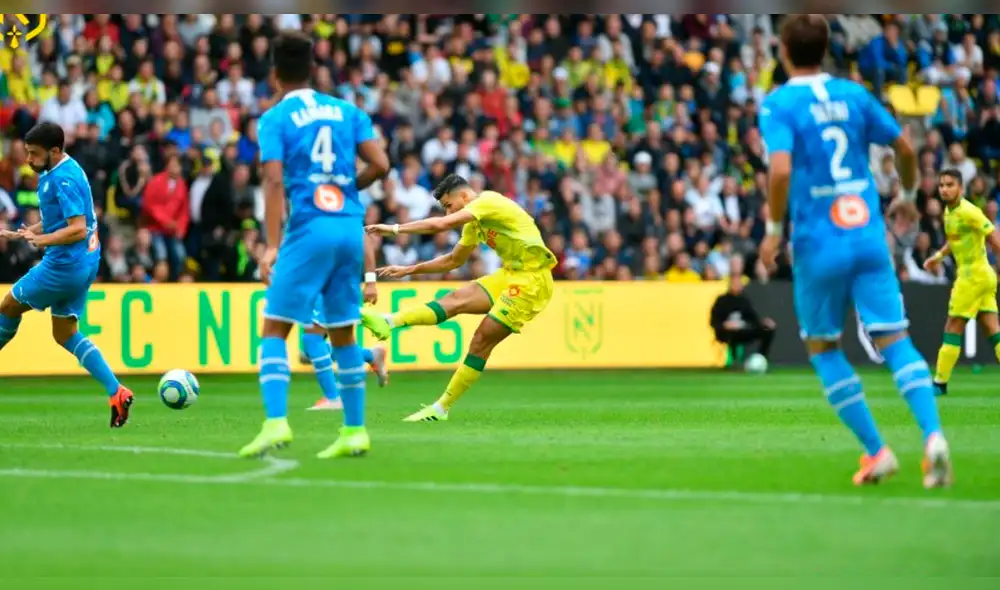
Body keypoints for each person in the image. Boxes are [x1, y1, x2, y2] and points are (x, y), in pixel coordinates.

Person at [758, 15, 951, 489]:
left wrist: (773, 230)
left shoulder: (778, 103)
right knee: (896, 340)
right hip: (866, 234)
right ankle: (933, 437)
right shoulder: (854, 94)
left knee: (823, 346)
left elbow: (780, 171)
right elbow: (905, 147)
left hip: (818, 242)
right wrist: (908, 194)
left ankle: (877, 451)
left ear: (784, 51)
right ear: (826, 48)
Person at [238, 31, 390, 459]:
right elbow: (381, 163)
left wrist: (271, 245)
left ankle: (275, 423)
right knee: (342, 332)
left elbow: (272, 181)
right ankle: (354, 431)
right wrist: (347, 189)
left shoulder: (274, 118)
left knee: (275, 327)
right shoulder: (348, 111)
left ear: (274, 74)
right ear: (313, 69)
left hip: (310, 227)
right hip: (349, 228)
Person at [364, 173, 557, 422]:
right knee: (455, 299)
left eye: (449, 205)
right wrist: (409, 269)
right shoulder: (474, 224)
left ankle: (441, 408)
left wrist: (394, 228)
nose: (448, 213)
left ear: (464, 196)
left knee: (481, 340)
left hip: (532, 280)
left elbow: (440, 225)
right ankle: (388, 322)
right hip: (511, 273)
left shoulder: (488, 201)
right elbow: (453, 260)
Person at [0, 122, 134, 427]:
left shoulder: (63, 179)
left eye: (34, 154)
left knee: (7, 306)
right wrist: (26, 232)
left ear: (54, 151)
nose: (29, 160)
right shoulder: (67, 167)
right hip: (85, 263)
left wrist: (41, 240)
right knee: (65, 333)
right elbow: (62, 219)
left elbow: (76, 229)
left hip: (64, 266)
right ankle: (116, 391)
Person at [923, 169, 1000, 396]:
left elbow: (993, 236)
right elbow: (954, 240)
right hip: (982, 276)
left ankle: (939, 383)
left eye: (950, 185)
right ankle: (939, 382)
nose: (944, 189)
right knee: (993, 330)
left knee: (952, 328)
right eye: (941, 185)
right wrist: (938, 257)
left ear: (961, 188)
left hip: (972, 276)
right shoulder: (950, 212)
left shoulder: (969, 211)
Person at [301, 300, 390, 411]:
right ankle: (370, 355)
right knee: (311, 349)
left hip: (322, 292)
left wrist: (369, 286)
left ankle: (333, 398)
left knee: (312, 340)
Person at [710, 257, 776, 365]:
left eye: (739, 282)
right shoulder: (721, 300)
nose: (737, 285)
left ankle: (761, 358)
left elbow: (752, 318)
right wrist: (724, 325)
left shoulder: (744, 300)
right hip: (727, 332)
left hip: (744, 329)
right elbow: (714, 320)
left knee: (767, 330)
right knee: (733, 333)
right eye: (734, 282)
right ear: (730, 283)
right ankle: (734, 361)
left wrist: (763, 323)